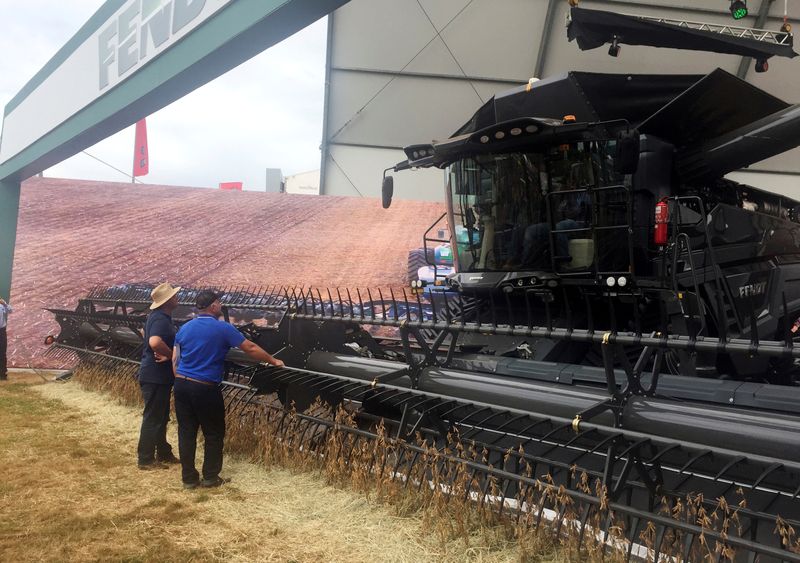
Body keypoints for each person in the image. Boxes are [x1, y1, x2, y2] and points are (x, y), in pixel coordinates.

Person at [172, 290, 284, 489]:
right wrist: (273, 360)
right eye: (219, 303)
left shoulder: (185, 328)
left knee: (186, 432)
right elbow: (249, 348)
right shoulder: (222, 328)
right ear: (214, 306)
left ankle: (188, 479)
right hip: (205, 387)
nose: (220, 306)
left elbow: (175, 359)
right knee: (213, 432)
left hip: (181, 384)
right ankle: (210, 477)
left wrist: (181, 380)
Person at [137, 282, 182, 469]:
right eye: (174, 295)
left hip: (155, 375)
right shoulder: (161, 319)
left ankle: (163, 452)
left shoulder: (156, 317)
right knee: (154, 417)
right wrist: (172, 354)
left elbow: (145, 335)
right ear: (168, 301)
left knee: (161, 416)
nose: (176, 297)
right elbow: (154, 341)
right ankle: (145, 459)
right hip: (155, 375)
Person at [0, 297, 12, 381]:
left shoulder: (1, 305)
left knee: (2, 352)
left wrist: (4, 303)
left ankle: (2, 373)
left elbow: (10, 310)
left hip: (1, 331)